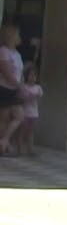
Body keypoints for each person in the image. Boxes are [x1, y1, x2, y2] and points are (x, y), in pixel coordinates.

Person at [0, 22, 23, 156]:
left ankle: (4, 141)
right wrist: (20, 86)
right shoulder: (4, 51)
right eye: (17, 34)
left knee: (18, 116)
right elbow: (7, 73)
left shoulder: (17, 54)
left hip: (13, 89)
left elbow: (19, 73)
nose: (19, 37)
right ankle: (4, 145)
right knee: (5, 119)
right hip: (4, 89)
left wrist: (20, 85)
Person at [16, 62, 42, 156]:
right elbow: (20, 97)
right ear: (26, 76)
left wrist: (35, 96)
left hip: (34, 113)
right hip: (25, 113)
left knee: (31, 132)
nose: (33, 77)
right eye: (31, 75)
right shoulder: (24, 87)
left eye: (35, 75)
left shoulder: (38, 88)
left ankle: (30, 149)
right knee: (22, 131)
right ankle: (19, 148)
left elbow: (39, 96)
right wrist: (27, 95)